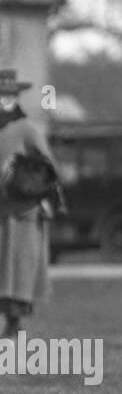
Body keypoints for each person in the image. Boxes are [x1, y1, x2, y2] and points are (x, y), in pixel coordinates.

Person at [0, 70, 58, 339]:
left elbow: (48, 166)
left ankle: (13, 322)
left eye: (10, 93)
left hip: (22, 209)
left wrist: (46, 197)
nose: (6, 98)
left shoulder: (27, 128)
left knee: (19, 267)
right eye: (2, 93)